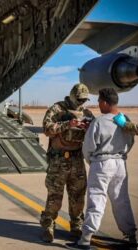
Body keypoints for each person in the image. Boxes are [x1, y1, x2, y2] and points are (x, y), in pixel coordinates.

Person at [66, 88, 138, 250]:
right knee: (122, 200)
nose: (98, 104)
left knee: (96, 200)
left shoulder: (98, 122)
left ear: (105, 102)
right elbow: (131, 141)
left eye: (99, 101)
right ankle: (131, 236)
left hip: (102, 164)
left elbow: (88, 147)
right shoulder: (124, 120)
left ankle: (85, 239)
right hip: (120, 163)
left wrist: (92, 161)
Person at [40, 83, 94, 242]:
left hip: (77, 159)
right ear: (71, 95)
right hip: (58, 160)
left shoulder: (87, 112)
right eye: (79, 99)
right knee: (54, 195)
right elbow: (47, 129)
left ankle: (76, 225)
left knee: (78, 195)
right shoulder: (57, 109)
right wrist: (67, 124)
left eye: (84, 100)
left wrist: (87, 128)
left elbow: (95, 134)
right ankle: (48, 225)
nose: (81, 103)